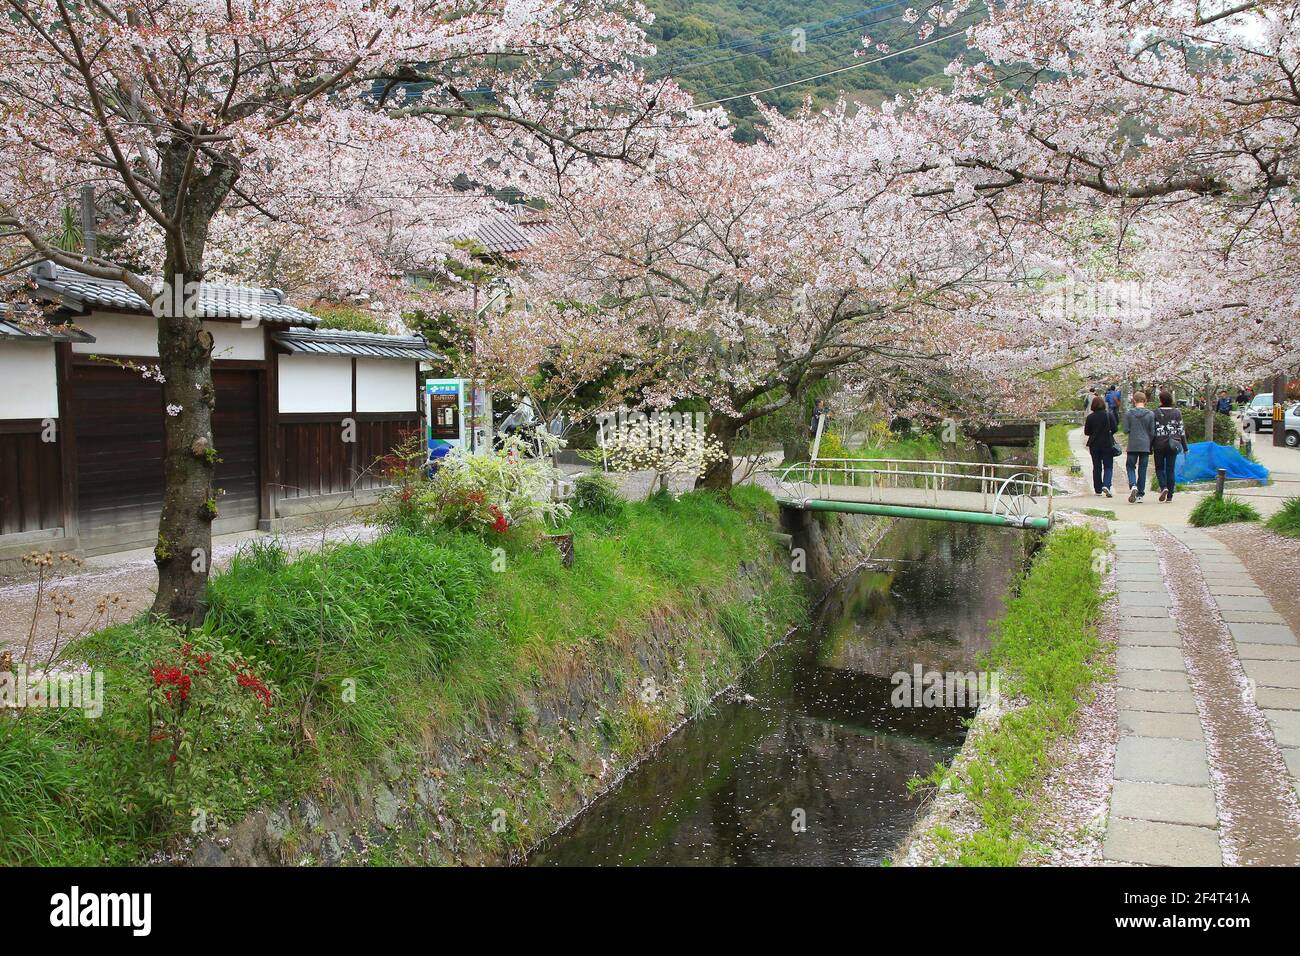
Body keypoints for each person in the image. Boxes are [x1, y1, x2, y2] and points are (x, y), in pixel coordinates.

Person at [1152, 391, 1189, 502]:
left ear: (1161, 400)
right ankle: (1170, 496)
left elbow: (1152, 430)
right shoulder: (1177, 412)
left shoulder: (1155, 412)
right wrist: (1185, 447)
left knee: (1159, 468)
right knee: (1170, 469)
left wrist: (1150, 445)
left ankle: (1163, 487)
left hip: (1158, 443)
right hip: (1173, 443)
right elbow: (1181, 430)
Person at [1123, 392, 1155, 502]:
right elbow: (1152, 431)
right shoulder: (1150, 414)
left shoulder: (1128, 414)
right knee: (1143, 469)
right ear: (1145, 401)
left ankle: (1133, 485)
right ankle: (1140, 494)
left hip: (1132, 444)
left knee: (1130, 466)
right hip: (1145, 445)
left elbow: (1126, 430)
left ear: (1134, 401)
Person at [1084, 395, 1117, 497]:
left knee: (1097, 467)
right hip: (1107, 443)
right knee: (1108, 466)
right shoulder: (1109, 415)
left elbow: (1086, 432)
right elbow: (1115, 428)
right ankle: (1106, 485)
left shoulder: (1090, 417)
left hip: (1094, 445)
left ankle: (1098, 489)